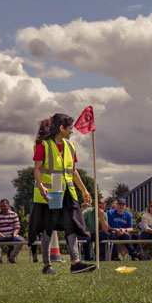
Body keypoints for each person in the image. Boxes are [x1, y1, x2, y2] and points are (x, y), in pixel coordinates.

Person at [27, 113, 96, 274]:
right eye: (70, 128)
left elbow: (72, 171)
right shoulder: (43, 145)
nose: (72, 131)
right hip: (49, 194)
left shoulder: (70, 147)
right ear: (61, 128)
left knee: (71, 224)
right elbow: (37, 169)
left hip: (67, 193)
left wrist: (84, 190)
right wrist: (41, 186)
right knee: (48, 227)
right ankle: (46, 265)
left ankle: (75, 262)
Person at [0, 199, 25, 264]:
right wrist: (4, 237)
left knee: (22, 240)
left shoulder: (14, 214)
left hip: (11, 235)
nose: (3, 208)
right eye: (1, 206)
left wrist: (14, 235)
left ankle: (11, 257)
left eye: (4, 206)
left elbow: (17, 227)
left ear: (8, 206)